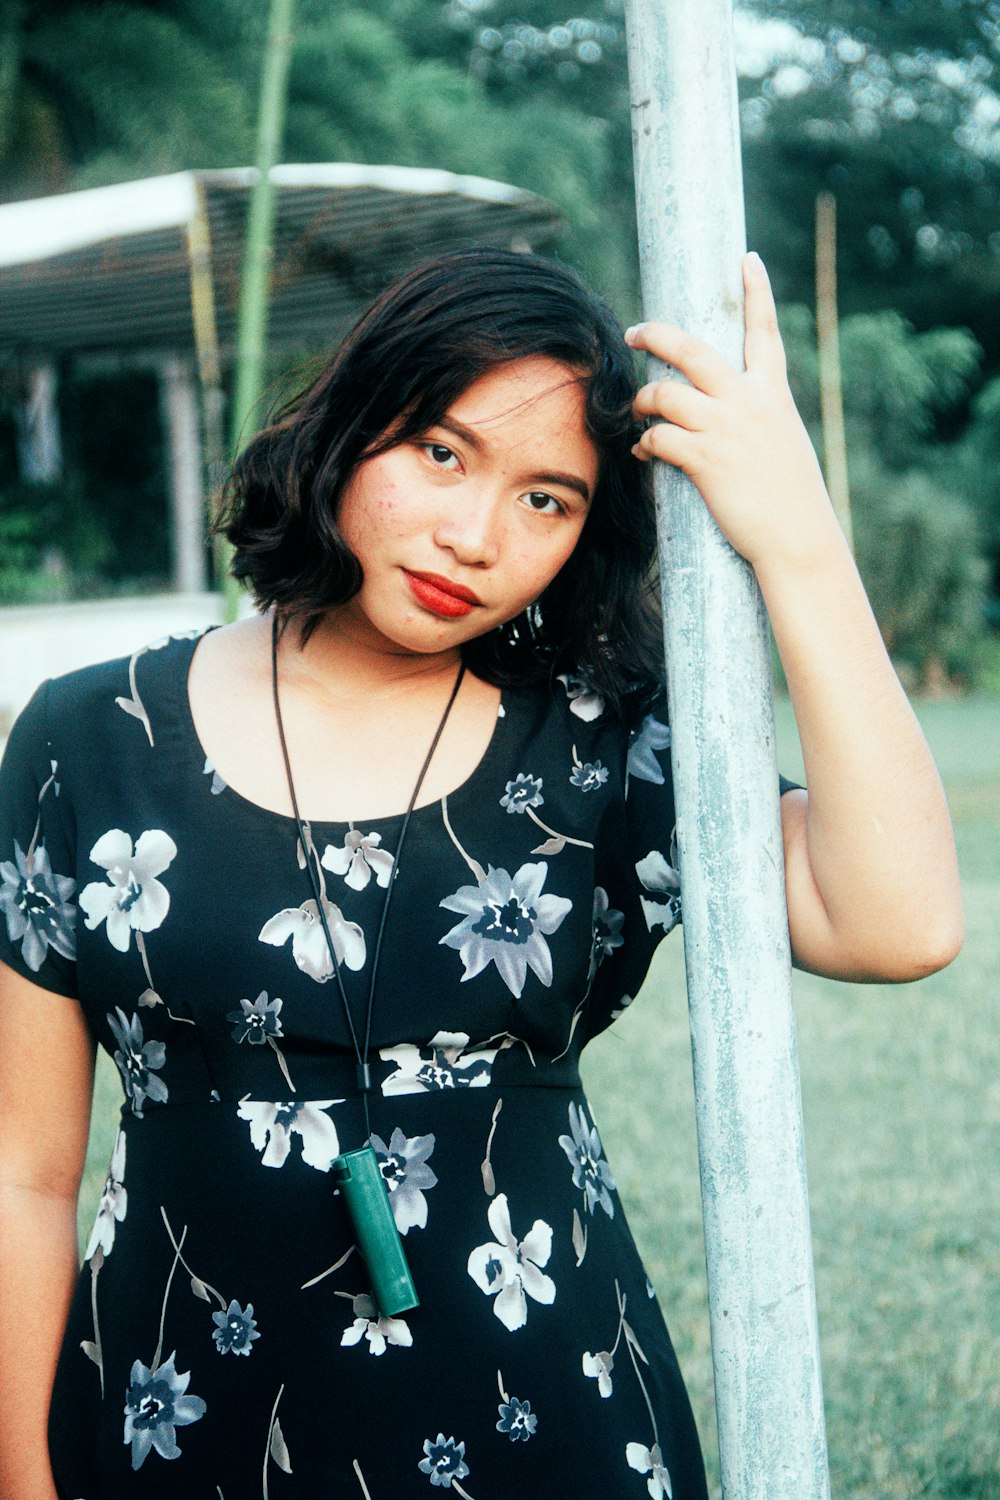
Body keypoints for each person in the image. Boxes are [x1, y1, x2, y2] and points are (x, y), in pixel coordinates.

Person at [0, 246, 962, 1499]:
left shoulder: (607, 744)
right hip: (181, 1410)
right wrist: (23, 1470)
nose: (475, 534)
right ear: (351, 421)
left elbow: (896, 924)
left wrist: (798, 540)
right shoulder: (88, 738)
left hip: (541, 1403)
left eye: (547, 500)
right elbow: (24, 1171)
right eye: (442, 453)